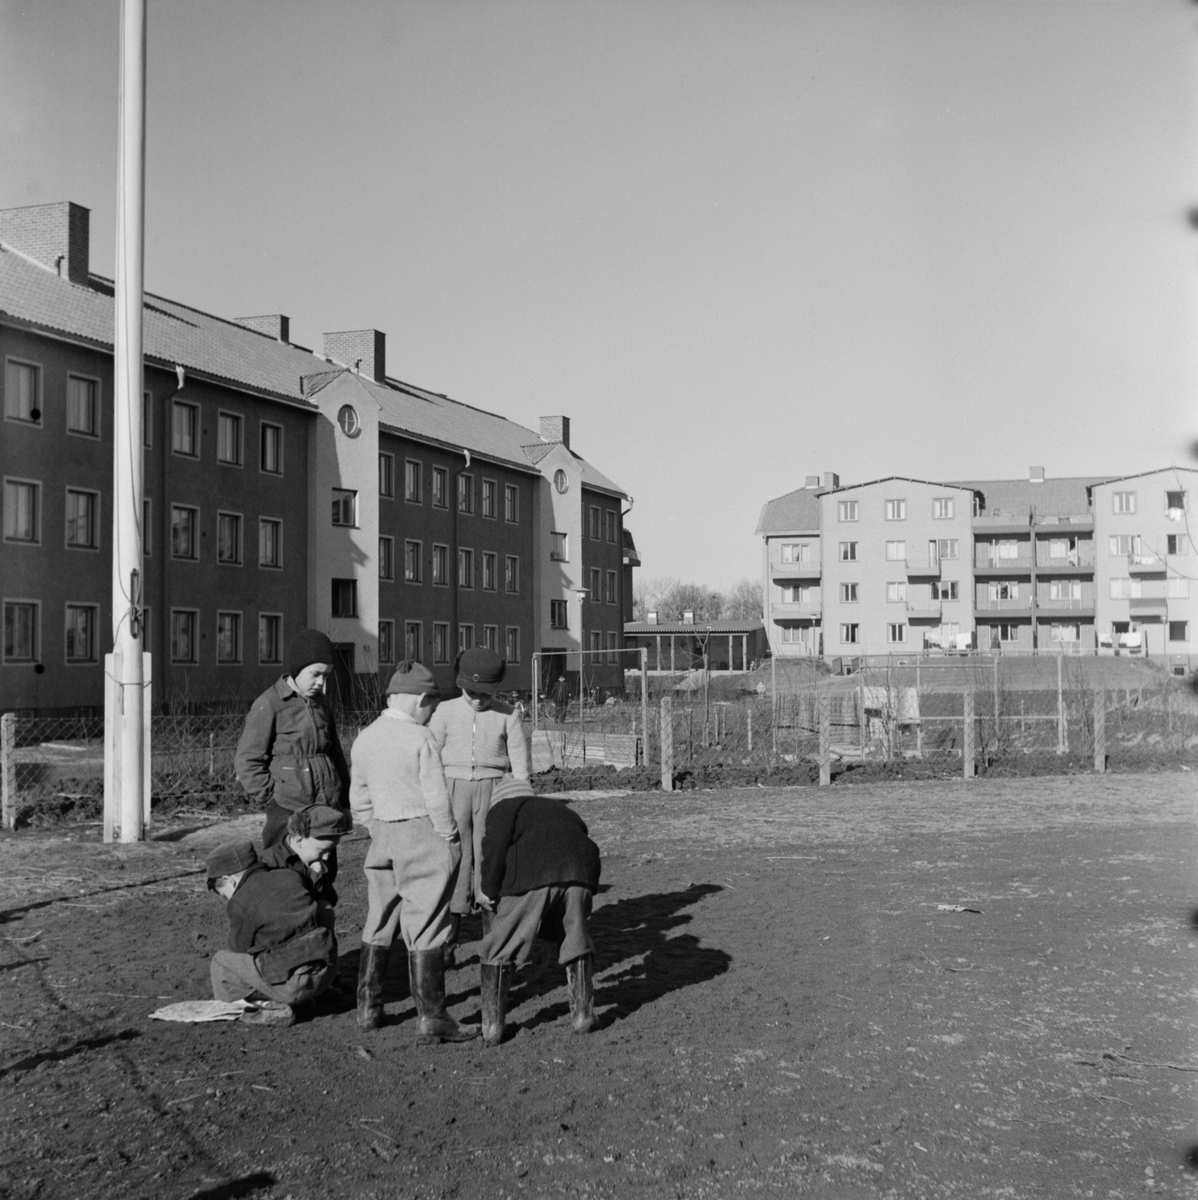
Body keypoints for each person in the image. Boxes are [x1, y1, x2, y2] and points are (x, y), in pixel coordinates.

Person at [350, 661, 476, 1042]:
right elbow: (437, 799)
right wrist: (450, 838)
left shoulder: (365, 737)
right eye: (432, 708)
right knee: (426, 923)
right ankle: (432, 1017)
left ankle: (369, 1008)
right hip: (422, 833)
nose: (432, 714)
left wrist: (376, 827)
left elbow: (358, 798)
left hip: (381, 834)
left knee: (380, 916)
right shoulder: (420, 739)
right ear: (421, 700)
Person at [475, 775, 602, 1046]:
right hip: (581, 871)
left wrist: (489, 889)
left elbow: (494, 850)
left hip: (536, 871)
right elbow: (582, 833)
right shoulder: (557, 807)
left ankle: (493, 1027)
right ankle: (583, 1016)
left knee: (501, 943)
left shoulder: (503, 807)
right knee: (575, 934)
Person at [428, 648, 530, 958]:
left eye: (485, 693)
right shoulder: (444, 712)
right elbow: (430, 758)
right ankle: (448, 939)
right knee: (454, 858)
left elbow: (521, 765)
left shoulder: (509, 714)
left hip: (493, 791)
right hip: (452, 790)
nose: (477, 699)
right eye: (470, 692)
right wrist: (431, 797)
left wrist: (522, 800)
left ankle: (492, 939)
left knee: (491, 855)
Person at [206, 835, 341, 1026]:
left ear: (230, 881)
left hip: (291, 987)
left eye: (224, 895)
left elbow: (237, 950)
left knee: (221, 961)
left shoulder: (239, 902)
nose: (227, 900)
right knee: (323, 907)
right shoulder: (290, 875)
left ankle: (263, 1007)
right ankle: (322, 991)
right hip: (325, 973)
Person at [234, 629, 351, 851]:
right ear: (297, 669)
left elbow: (335, 756)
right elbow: (247, 760)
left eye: (326, 676)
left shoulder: (322, 704)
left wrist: (344, 802)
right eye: (315, 674)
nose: (321, 682)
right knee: (287, 875)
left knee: (323, 872)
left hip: (326, 808)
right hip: (287, 811)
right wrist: (273, 798)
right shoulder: (269, 704)